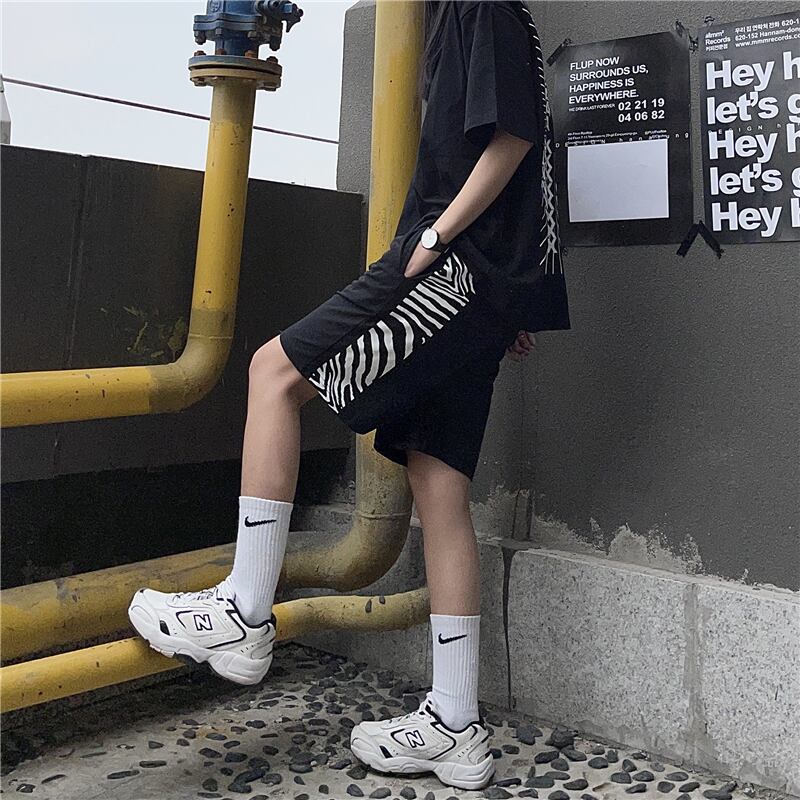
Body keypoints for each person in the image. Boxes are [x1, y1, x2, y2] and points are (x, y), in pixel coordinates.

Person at [127, 0, 569, 791]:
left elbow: (515, 139)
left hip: (448, 269)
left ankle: (243, 613)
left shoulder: (482, 3)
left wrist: (436, 241)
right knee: (438, 481)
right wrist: (512, 296)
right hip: (480, 288)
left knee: (273, 373)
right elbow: (523, 156)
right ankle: (456, 727)